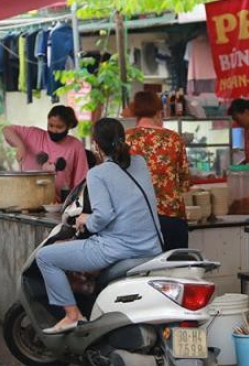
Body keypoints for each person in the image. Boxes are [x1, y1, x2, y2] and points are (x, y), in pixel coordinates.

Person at [35, 118, 163, 334]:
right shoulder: (140, 162)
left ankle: (72, 315)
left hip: (119, 248)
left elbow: (103, 216)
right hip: (152, 246)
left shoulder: (97, 173)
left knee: (46, 257)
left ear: (96, 145)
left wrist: (86, 219)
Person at [125, 90, 191, 218]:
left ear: (134, 110)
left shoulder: (126, 138)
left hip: (136, 213)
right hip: (171, 212)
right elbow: (185, 180)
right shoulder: (174, 138)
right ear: (158, 111)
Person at [2, 105, 89, 196]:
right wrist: (20, 145)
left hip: (59, 204)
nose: (54, 130)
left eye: (59, 127)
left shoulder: (75, 146)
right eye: (50, 125)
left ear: (69, 126)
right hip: (27, 197)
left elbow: (80, 182)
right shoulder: (33, 134)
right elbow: (7, 130)